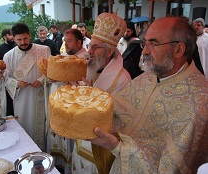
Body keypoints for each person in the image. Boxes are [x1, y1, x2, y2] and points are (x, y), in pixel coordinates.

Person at [88, 17, 208, 174]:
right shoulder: (148, 77)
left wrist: (118, 147)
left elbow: (172, 168)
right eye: (145, 43)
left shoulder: (199, 104)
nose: (144, 51)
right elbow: (115, 110)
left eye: (154, 43)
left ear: (178, 49)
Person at [71, 13, 131, 174]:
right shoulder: (90, 66)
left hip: (101, 146)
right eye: (90, 45)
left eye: (95, 47)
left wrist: (92, 94)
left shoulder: (123, 79)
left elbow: (119, 117)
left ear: (110, 52)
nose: (89, 51)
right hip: (81, 137)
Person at [46, 28, 89, 172]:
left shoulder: (87, 59)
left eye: (69, 41)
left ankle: (69, 165)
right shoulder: (62, 56)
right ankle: (58, 162)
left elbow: (89, 85)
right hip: (60, 104)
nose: (66, 44)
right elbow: (54, 78)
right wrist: (53, 78)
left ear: (78, 42)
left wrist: (69, 80)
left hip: (75, 107)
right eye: (65, 41)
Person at [3, 23, 50, 150]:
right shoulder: (8, 56)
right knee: (24, 127)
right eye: (19, 39)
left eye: (25, 38)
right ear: (13, 38)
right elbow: (6, 79)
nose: (23, 42)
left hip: (41, 96)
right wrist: (17, 83)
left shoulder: (44, 50)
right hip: (22, 100)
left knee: (42, 126)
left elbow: (50, 71)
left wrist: (41, 80)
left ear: (30, 35)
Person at [0, 28, 15, 117]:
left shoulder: (17, 47)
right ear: (4, 37)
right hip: (6, 80)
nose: (12, 37)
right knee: (9, 104)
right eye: (10, 35)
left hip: (17, 78)